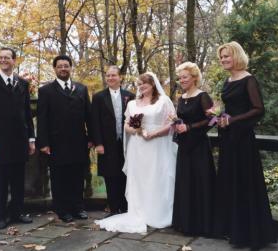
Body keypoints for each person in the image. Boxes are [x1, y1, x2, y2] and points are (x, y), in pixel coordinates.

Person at [211, 41, 276, 249]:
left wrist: (233, 120)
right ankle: (234, 231)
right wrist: (220, 118)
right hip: (228, 139)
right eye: (221, 57)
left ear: (237, 56)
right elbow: (231, 108)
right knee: (231, 182)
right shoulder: (228, 81)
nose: (223, 60)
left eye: (226, 56)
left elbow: (258, 109)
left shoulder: (249, 80)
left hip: (243, 141)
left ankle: (251, 234)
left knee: (245, 182)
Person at [95, 72, 177, 233]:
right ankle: (139, 212)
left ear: (152, 85)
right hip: (138, 145)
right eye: (139, 85)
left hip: (157, 144)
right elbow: (127, 124)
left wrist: (154, 134)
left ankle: (158, 213)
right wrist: (135, 130)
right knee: (139, 178)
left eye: (144, 85)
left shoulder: (163, 101)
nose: (141, 88)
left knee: (156, 176)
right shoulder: (133, 103)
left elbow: (172, 123)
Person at [0, 47, 35, 229]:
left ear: (14, 61)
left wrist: (31, 139)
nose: (3, 60)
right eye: (0, 57)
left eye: (7, 58)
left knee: (19, 180)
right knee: (0, 181)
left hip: (20, 141)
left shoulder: (23, 84)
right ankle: (0, 216)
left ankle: (17, 212)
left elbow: (27, 114)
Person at [37, 55, 91, 223]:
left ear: (70, 68)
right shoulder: (45, 91)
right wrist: (43, 142)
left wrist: (92, 138)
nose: (63, 69)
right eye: (59, 66)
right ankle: (62, 209)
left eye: (66, 66)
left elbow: (89, 116)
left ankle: (78, 208)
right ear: (55, 69)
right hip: (56, 143)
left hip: (79, 142)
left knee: (77, 176)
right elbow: (42, 118)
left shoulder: (81, 89)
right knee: (59, 178)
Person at [172, 62, 216, 237]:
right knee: (186, 183)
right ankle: (186, 224)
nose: (181, 80)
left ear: (194, 78)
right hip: (184, 147)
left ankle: (203, 225)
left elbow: (213, 120)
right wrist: (176, 123)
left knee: (201, 183)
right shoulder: (181, 98)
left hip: (199, 147)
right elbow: (182, 120)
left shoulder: (203, 96)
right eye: (180, 77)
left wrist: (189, 127)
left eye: (185, 77)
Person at [91, 65, 135, 217]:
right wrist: (98, 143)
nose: (110, 78)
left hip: (127, 142)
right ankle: (113, 207)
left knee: (125, 173)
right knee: (110, 175)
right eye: (108, 75)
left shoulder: (130, 96)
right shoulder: (98, 97)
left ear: (120, 77)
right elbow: (94, 122)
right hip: (106, 142)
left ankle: (126, 206)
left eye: (113, 75)